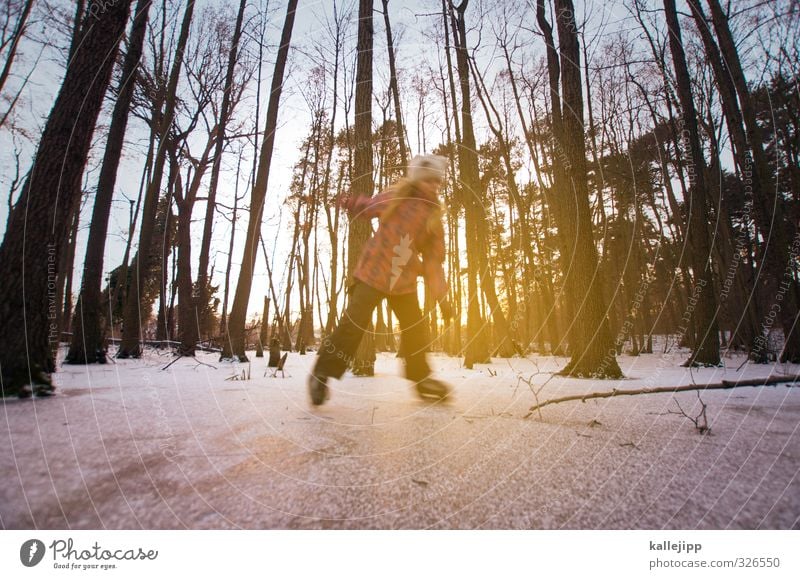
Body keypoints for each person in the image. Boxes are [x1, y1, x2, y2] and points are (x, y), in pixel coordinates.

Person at [308, 154, 454, 405]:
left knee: (415, 328)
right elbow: (368, 206)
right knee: (353, 323)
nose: (432, 186)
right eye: (428, 181)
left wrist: (442, 297)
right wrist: (349, 202)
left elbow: (432, 261)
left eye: (436, 183)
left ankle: (422, 379)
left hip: (403, 281)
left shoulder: (433, 218)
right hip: (373, 273)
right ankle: (322, 372)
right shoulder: (397, 198)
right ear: (417, 179)